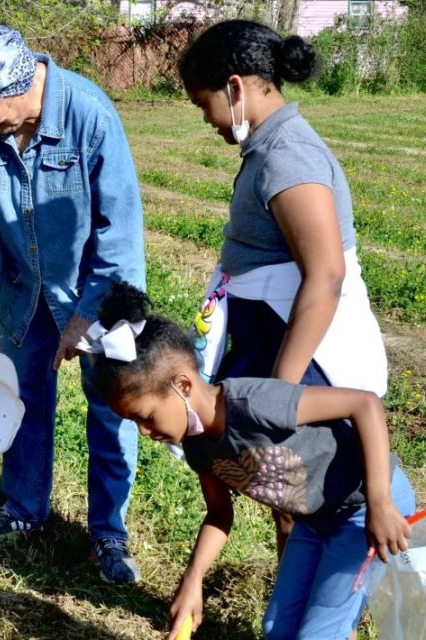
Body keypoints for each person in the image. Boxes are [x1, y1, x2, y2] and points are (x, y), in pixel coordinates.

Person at [84, 282, 415, 640]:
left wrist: (380, 501)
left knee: (319, 635)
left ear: (183, 384)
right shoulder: (197, 447)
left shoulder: (255, 403)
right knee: (276, 630)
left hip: (364, 509)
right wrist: (192, 580)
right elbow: (219, 515)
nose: (145, 432)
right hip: (315, 522)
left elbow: (365, 405)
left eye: (146, 416)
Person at [0, 24, 147, 583]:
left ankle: (109, 535)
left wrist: (86, 317)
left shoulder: (89, 114)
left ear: (16, 86)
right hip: (22, 290)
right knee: (21, 396)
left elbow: (120, 231)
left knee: (112, 410)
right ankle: (22, 511)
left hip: (98, 295)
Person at [178, 20, 389, 556]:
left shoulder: (287, 157)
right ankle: (289, 601)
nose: (207, 121)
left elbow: (326, 275)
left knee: (301, 485)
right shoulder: (269, 150)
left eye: (205, 105)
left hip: (300, 356)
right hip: (269, 337)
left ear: (235, 87)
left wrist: (281, 391)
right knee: (283, 493)